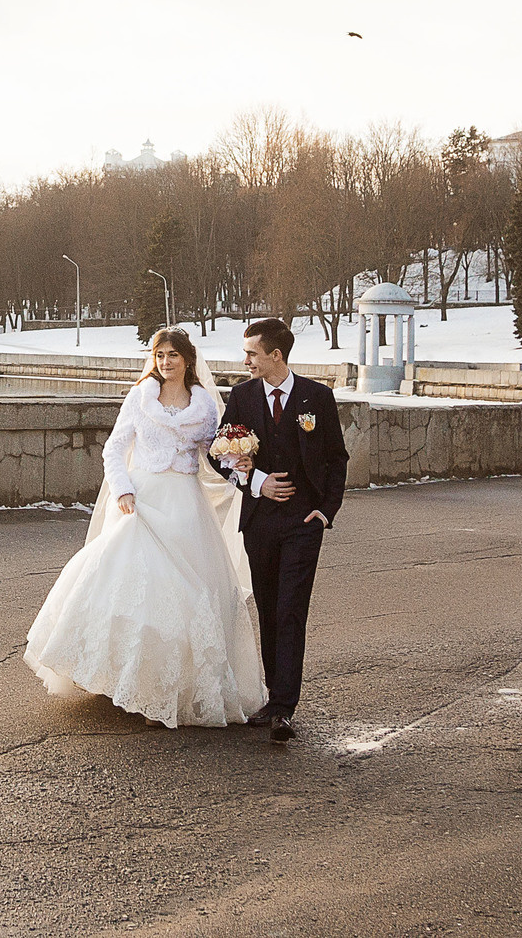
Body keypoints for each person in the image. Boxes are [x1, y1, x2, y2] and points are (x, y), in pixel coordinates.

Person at [24, 325, 267, 729]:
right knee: (132, 587)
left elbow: (214, 454)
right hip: (142, 500)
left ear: (188, 359)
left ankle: (167, 687)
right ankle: (128, 680)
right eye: (160, 355)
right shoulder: (140, 397)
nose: (166, 362)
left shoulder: (205, 405)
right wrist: (122, 488)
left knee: (186, 594)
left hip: (186, 506)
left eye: (173, 355)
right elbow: (114, 449)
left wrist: (239, 462)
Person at [210, 316, 348, 742]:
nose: (245, 360)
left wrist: (325, 511)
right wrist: (255, 482)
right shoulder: (242, 396)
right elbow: (219, 454)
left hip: (304, 523)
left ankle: (285, 707)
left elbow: (336, 458)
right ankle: (273, 697)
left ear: (276, 355)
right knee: (269, 608)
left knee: (291, 609)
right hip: (260, 521)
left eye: (252, 353)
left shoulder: (316, 397)